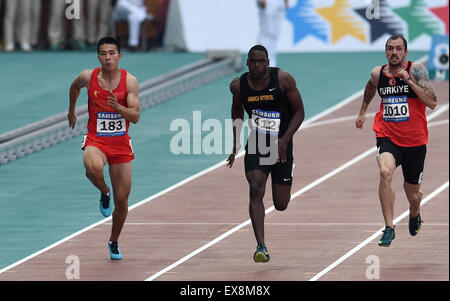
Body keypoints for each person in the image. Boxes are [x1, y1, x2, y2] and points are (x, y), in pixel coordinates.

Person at [355, 35, 437, 247]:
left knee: (413, 196)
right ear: (385, 52)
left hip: (415, 141)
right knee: (385, 172)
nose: (394, 52)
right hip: (388, 135)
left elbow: (432, 102)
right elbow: (370, 88)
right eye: (390, 48)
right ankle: (389, 227)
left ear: (405, 52)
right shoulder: (377, 73)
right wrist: (363, 112)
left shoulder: (416, 70)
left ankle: (415, 212)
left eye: (398, 49)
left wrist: (408, 80)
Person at [227, 45, 305, 262]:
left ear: (267, 62)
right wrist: (235, 143)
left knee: (281, 204)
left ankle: (288, 170)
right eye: (252, 61)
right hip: (258, 143)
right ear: (247, 63)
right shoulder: (238, 86)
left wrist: (285, 139)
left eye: (261, 61)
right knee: (255, 189)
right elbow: (236, 110)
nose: (256, 65)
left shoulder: (284, 80)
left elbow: (300, 111)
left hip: (282, 144)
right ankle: (261, 246)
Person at [68, 37, 140, 260]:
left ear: (119, 56)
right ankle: (104, 191)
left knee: (123, 200)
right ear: (98, 57)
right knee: (91, 168)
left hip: (120, 144)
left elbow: (136, 116)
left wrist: (118, 108)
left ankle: (114, 241)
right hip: (96, 140)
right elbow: (73, 86)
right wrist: (71, 110)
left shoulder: (129, 81)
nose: (107, 57)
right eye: (103, 53)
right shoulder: (88, 77)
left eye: (112, 53)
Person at [257, 0, 288, 67]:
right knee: (266, 32)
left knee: (275, 33)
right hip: (268, 2)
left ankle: (271, 61)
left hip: (280, 2)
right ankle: (261, 60)